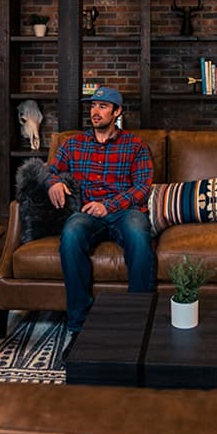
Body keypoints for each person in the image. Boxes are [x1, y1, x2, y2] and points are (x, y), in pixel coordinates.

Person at [47, 86, 154, 333]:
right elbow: (49, 171)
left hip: (125, 211)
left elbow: (142, 187)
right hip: (87, 212)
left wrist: (108, 206)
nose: (96, 112)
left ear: (117, 112)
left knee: (138, 235)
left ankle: (138, 319)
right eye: (93, 106)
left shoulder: (135, 145)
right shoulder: (73, 143)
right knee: (71, 234)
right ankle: (79, 324)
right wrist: (54, 183)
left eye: (103, 107)